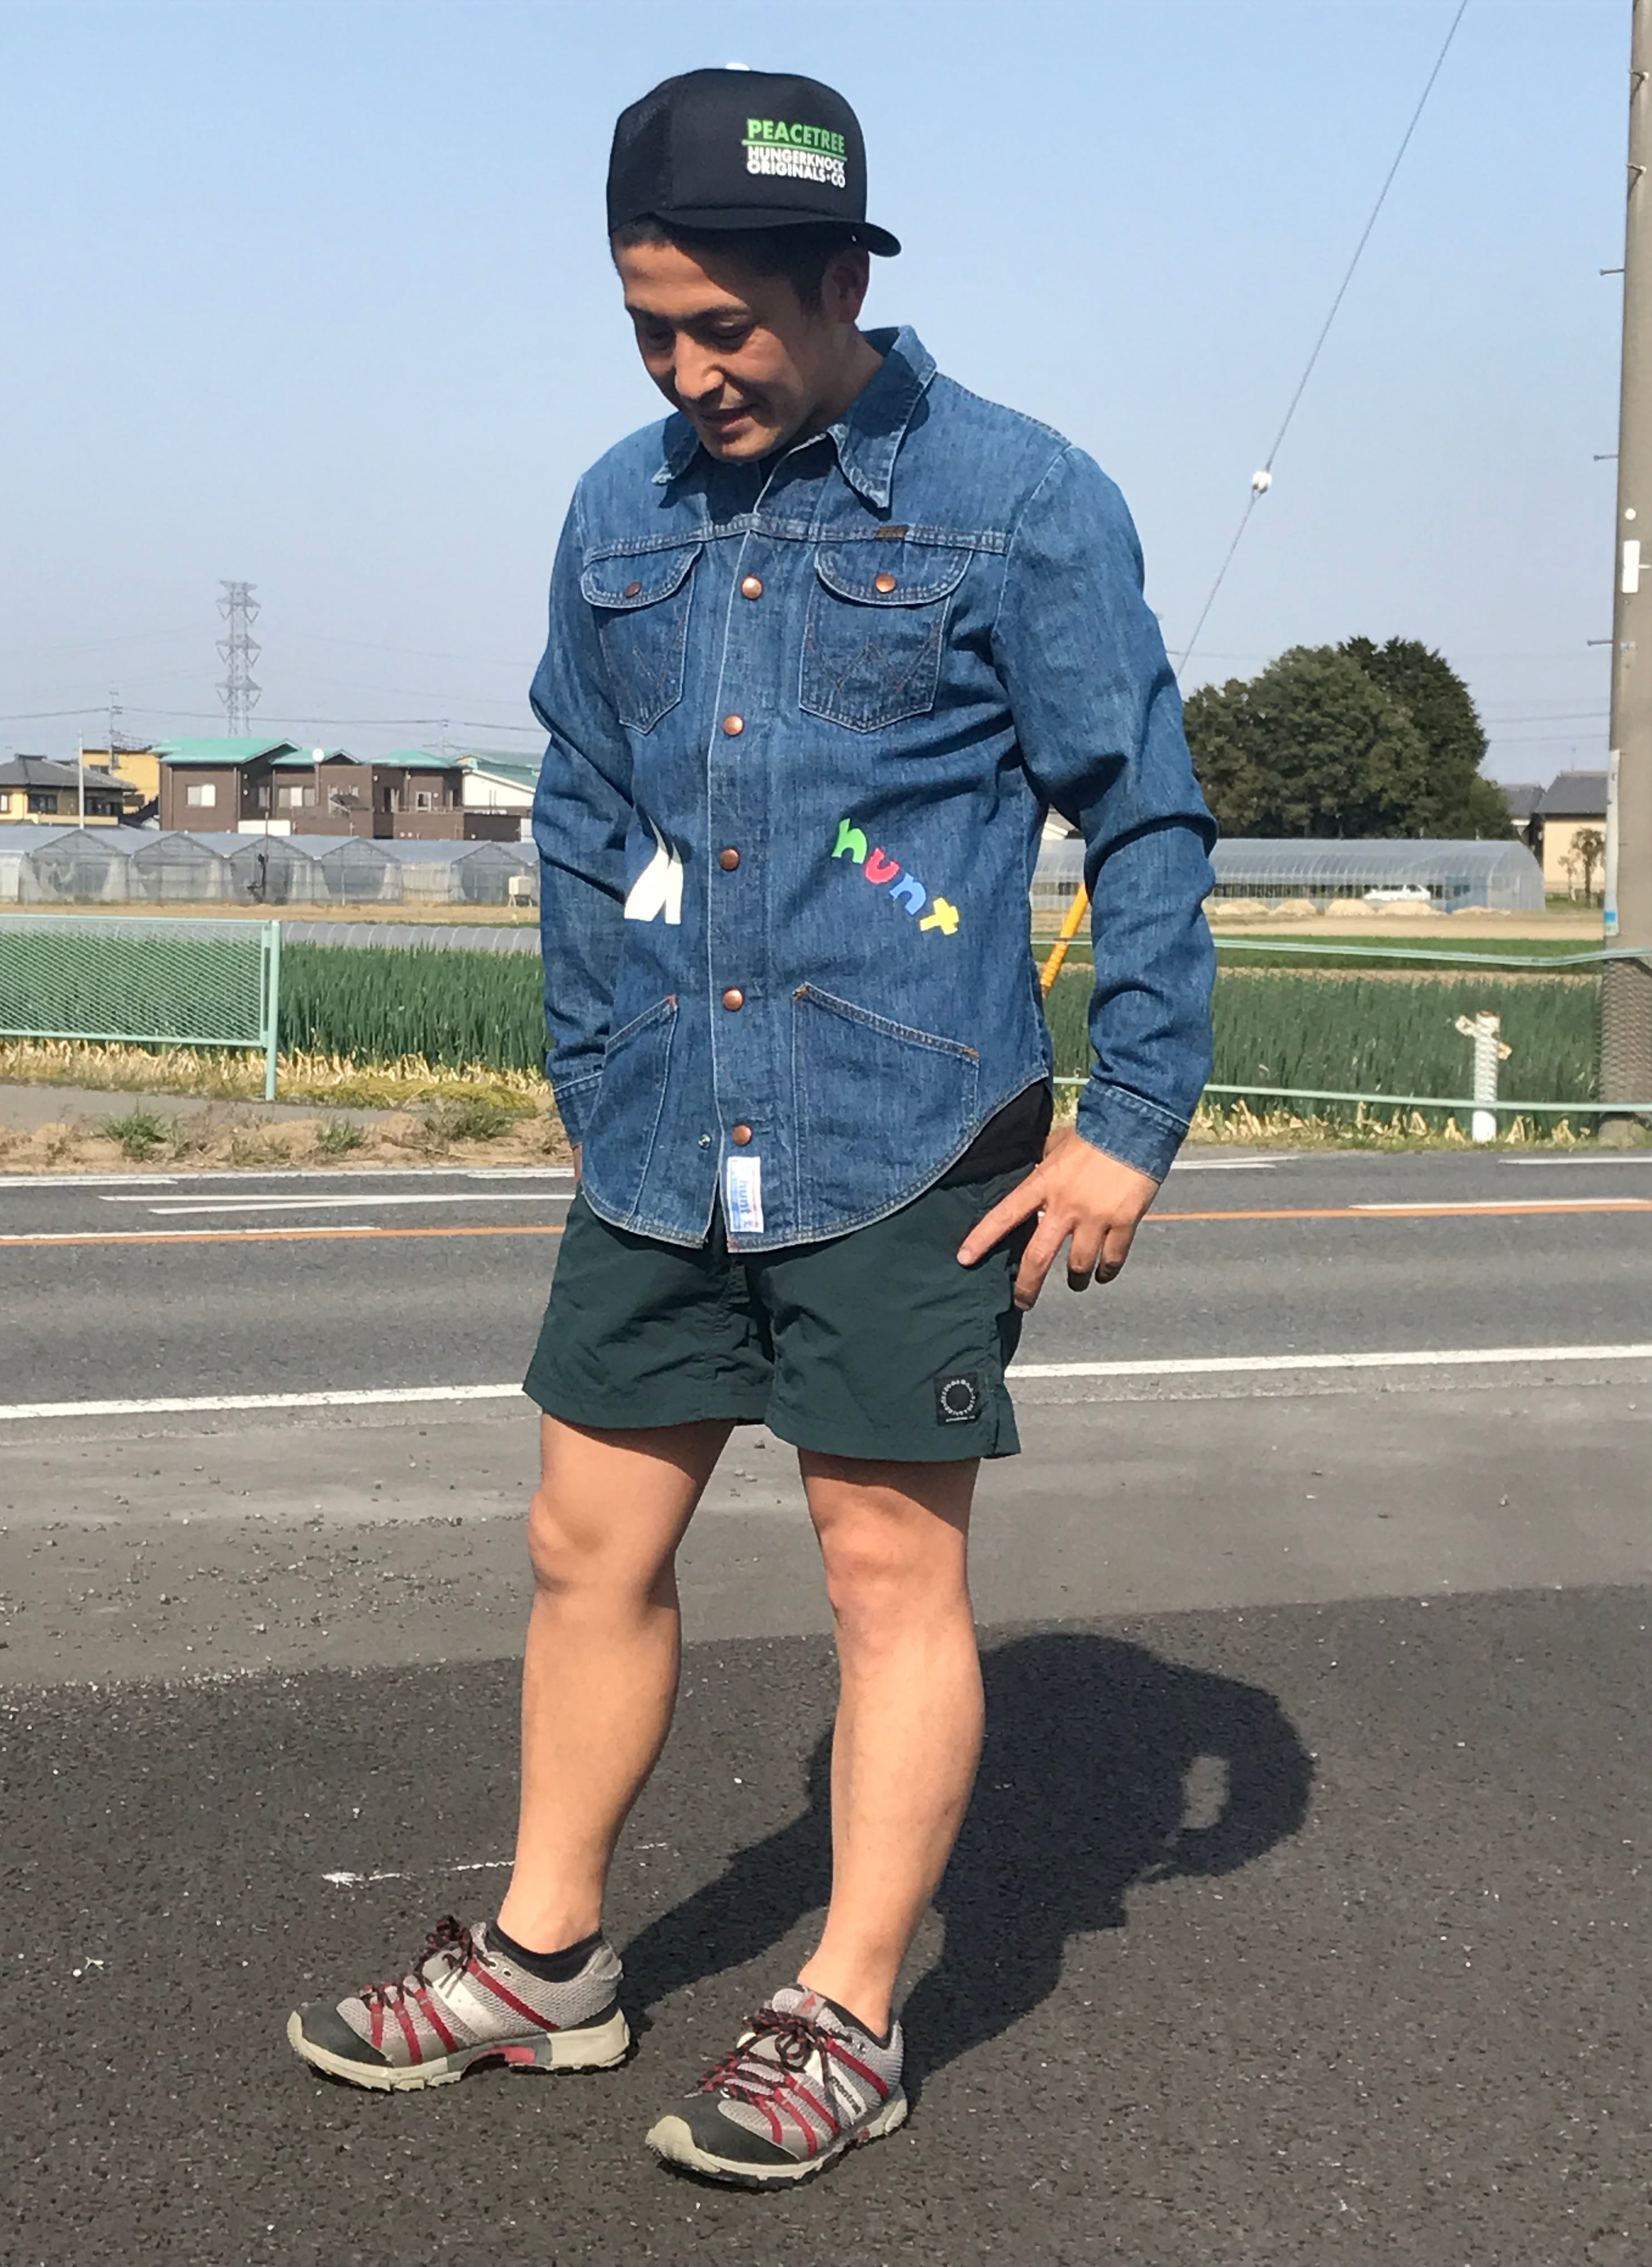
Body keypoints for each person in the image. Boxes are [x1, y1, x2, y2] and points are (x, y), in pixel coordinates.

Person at [287, 65, 1215, 2188]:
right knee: (581, 1544)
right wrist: (590, 1058)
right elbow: (580, 799)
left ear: (837, 284)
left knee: (885, 1572)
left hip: (912, 1127)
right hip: (661, 1129)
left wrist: (1135, 1117)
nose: (687, 372)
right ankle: (544, 1962)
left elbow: (1144, 814)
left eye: (726, 328)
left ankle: (848, 2013)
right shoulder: (617, 510)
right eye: (650, 329)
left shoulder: (1019, 497)